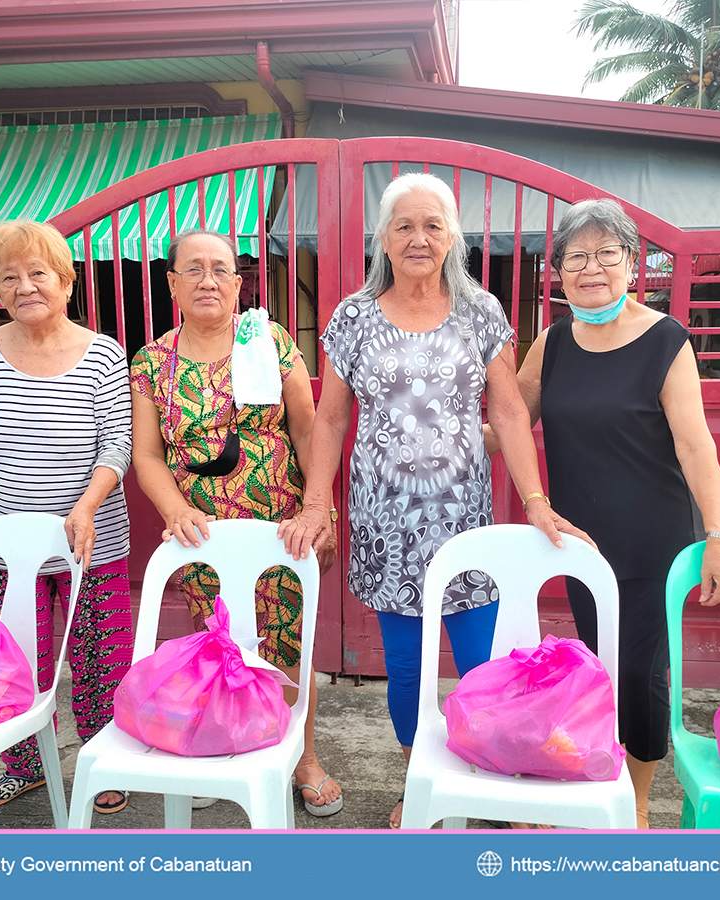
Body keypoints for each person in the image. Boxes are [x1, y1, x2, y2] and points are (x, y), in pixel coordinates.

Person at [278, 173, 591, 829]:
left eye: (432, 225)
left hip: (463, 520)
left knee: (483, 661)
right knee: (407, 668)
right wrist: (316, 503)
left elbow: (507, 414)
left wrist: (535, 499)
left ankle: (490, 777)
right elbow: (330, 421)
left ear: (453, 237)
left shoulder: (481, 312)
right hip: (386, 522)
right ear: (384, 240)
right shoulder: (353, 318)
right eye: (404, 226)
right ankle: (418, 781)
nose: (419, 238)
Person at [487, 197, 720, 829]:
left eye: (607, 253)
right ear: (559, 272)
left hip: (652, 538)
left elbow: (695, 443)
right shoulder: (552, 343)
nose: (591, 268)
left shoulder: (665, 340)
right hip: (578, 540)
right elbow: (507, 426)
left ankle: (636, 801)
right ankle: (599, 777)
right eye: (576, 256)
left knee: (639, 671)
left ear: (633, 264)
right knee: (598, 663)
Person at [129, 228, 343, 817]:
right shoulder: (152, 362)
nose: (208, 280)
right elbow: (146, 455)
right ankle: (230, 738)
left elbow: (307, 427)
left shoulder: (268, 340)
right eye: (193, 269)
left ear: (238, 282)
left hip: (282, 527)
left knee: (286, 641)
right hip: (202, 535)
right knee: (220, 639)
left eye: (220, 269)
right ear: (171, 283)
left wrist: (318, 508)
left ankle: (302, 756)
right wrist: (175, 510)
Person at [0, 220, 133, 815]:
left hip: (89, 539)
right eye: (9, 276)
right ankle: (24, 764)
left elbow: (115, 447)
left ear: (65, 280)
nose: (25, 286)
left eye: (38, 273)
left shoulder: (101, 353)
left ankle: (100, 759)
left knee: (102, 655)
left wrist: (85, 507)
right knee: (17, 656)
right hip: (7, 548)